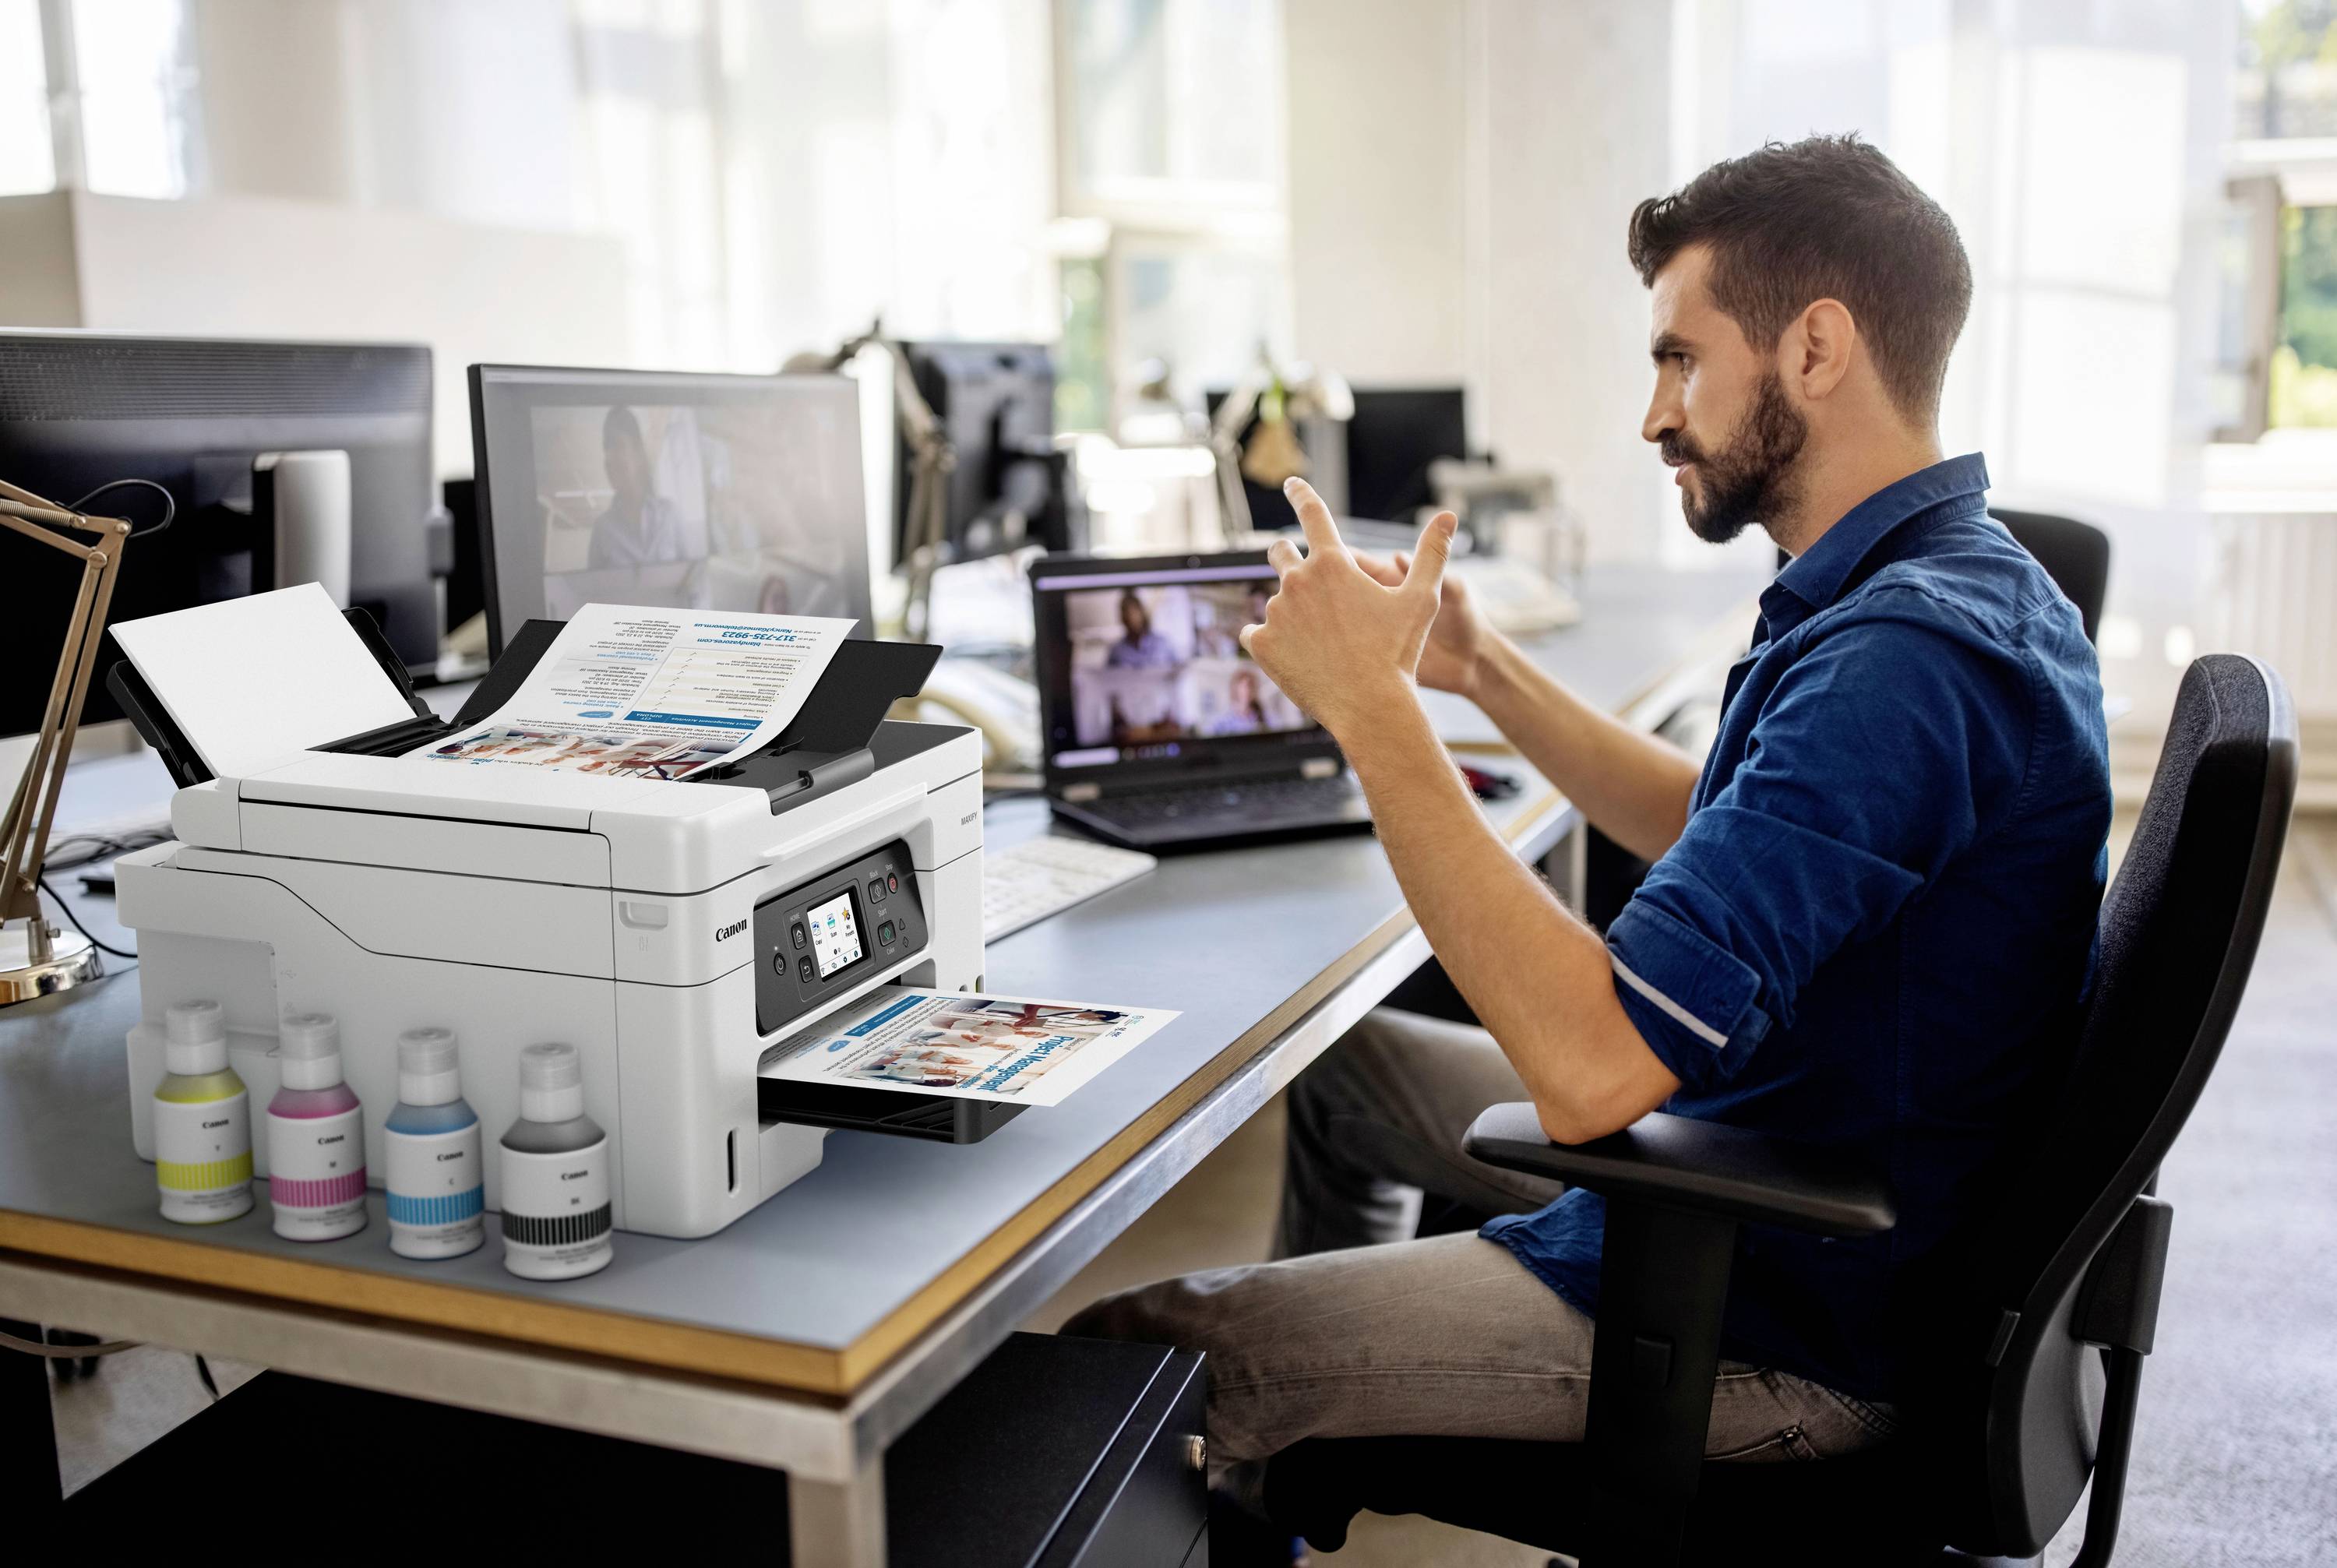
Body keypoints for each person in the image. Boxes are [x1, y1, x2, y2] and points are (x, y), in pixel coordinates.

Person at [1063, 132, 2110, 1536]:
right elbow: (1727, 828)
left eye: (1681, 358)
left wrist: (1377, 714)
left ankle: (1254, 1415)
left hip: (1778, 1317)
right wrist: (1480, 672)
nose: (1653, 413)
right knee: (1348, 1068)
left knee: (1132, 1352)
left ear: (1816, 347)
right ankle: (1285, 1454)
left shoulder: (1906, 659)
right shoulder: (1940, 581)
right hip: (1773, 1175)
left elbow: (1588, 1070)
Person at [587, 406, 686, 570]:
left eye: (618, 445)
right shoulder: (602, 530)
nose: (609, 458)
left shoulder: (669, 515)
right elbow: (592, 594)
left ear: (639, 454)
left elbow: (694, 583)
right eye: (606, 448)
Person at [1104, 588, 1181, 668]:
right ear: (1122, 619)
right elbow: (1108, 678)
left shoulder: (1163, 644)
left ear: (1142, 613)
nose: (1131, 619)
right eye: (1127, 615)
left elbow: (1178, 671)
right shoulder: (1116, 651)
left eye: (1134, 614)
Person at [1205, 668, 1274, 736]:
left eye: (1250, 686)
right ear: (1235, 689)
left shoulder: (1265, 718)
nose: (1247, 691)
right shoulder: (1222, 721)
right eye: (1244, 687)